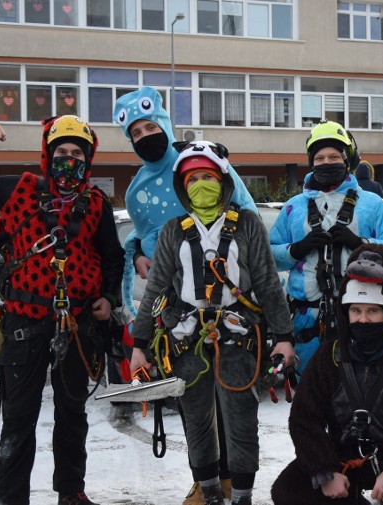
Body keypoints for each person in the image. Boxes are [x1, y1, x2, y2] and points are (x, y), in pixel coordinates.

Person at [0, 116, 125, 505]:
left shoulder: (95, 204)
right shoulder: (19, 189)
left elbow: (112, 257)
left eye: (77, 153)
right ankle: (12, 499)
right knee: (19, 419)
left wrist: (109, 297)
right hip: (24, 325)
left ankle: (71, 492)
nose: (68, 160)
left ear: (87, 159)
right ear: (48, 154)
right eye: (61, 152)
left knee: (72, 415)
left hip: (77, 324)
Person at [129, 141, 295, 505]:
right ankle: (208, 492)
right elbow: (156, 288)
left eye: (208, 177)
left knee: (241, 423)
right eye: (193, 179)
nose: (201, 184)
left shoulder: (247, 224)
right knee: (198, 422)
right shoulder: (174, 231)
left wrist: (284, 337)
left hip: (237, 342)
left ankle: (241, 496)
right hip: (186, 343)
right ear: (182, 187)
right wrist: (140, 344)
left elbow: (268, 283)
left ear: (223, 181)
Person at [113, 86, 255, 504]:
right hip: (179, 312)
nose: (144, 136)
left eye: (149, 125)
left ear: (165, 122)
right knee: (196, 402)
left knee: (231, 397)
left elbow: (245, 215)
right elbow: (148, 238)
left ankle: (234, 480)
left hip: (230, 302)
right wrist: (137, 250)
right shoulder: (136, 191)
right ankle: (205, 481)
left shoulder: (204, 159)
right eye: (135, 132)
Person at [271, 243, 383, 505]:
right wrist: (325, 470)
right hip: (342, 459)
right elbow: (304, 419)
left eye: (373, 311)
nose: (363, 320)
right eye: (356, 311)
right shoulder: (329, 356)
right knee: (288, 490)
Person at [269, 121, 383, 373]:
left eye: (334, 156)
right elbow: (270, 257)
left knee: (360, 387)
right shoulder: (293, 207)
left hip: (360, 317)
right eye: (319, 158)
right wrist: (297, 249)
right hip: (307, 320)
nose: (326, 162)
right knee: (311, 394)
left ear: (347, 159)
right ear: (311, 162)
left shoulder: (371, 204)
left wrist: (360, 245)